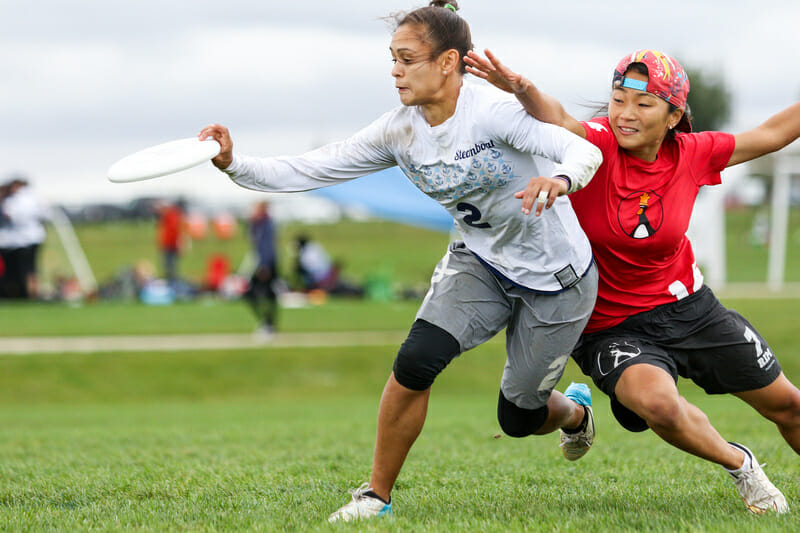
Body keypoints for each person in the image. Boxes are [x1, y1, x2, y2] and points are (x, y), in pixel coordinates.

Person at [200, 1, 603, 522]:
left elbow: (581, 150)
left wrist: (560, 180)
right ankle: (375, 496)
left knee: (519, 415)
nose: (395, 71)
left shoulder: (493, 112)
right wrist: (235, 163)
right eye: (392, 59)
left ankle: (574, 413)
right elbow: (311, 169)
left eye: (407, 59)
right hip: (479, 262)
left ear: (449, 62)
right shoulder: (398, 131)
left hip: (557, 277)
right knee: (415, 361)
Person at [465, 47, 800, 514]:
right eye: (619, 98)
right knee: (657, 405)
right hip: (610, 326)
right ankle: (742, 466)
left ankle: (628, 408)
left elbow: (771, 134)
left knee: (788, 405)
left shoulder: (694, 153)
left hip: (691, 310)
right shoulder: (596, 145)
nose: (625, 114)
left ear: (672, 115)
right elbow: (559, 118)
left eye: (643, 104)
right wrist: (520, 89)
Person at [245, 201, 279, 339]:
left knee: (261, 294)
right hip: (261, 262)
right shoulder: (258, 224)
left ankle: (268, 323)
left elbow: (267, 246)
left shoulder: (267, 225)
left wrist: (265, 265)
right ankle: (268, 323)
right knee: (268, 294)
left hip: (266, 264)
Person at [157, 198, 186, 286]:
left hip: (169, 244)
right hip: (170, 244)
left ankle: (171, 281)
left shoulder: (171, 215)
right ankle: (171, 281)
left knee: (169, 264)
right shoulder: (174, 215)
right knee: (170, 264)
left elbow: (173, 231)